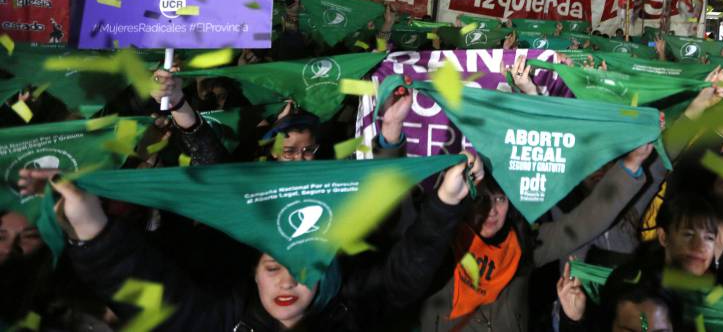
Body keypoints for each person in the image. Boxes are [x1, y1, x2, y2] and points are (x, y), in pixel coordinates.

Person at [26, 152, 484, 330]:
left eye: (304, 269)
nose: (287, 282)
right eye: (272, 267)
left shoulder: (352, 313)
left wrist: (445, 202)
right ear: (253, 271)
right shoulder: (223, 319)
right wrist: (92, 231)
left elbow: (406, 273)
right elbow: (156, 298)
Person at [417, 142, 656, 331]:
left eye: (499, 199)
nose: (491, 210)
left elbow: (584, 222)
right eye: (481, 199)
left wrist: (630, 164)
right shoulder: (437, 248)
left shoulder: (523, 246)